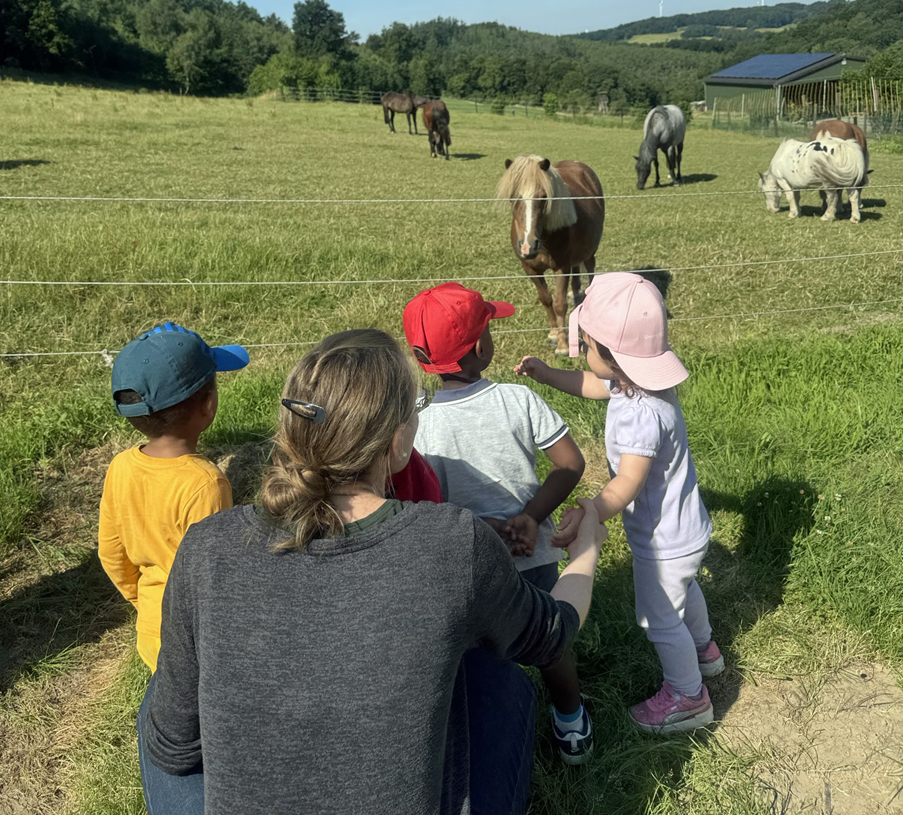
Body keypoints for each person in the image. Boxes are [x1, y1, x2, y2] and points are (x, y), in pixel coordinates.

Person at [140, 329, 607, 815]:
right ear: (398, 438)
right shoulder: (451, 543)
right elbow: (554, 631)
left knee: (161, 693)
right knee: (497, 673)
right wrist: (587, 544)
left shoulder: (206, 546)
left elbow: (174, 749)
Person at [515, 272, 724, 734]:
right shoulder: (641, 384)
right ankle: (706, 651)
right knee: (685, 589)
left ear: (611, 355)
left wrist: (593, 509)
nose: (585, 357)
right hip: (686, 528)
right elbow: (595, 383)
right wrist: (548, 375)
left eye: (587, 346)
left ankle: (689, 697)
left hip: (663, 539)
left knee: (660, 618)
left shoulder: (637, 414)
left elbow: (627, 481)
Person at [402, 282, 593, 764]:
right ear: (481, 347)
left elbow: (416, 500)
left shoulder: (415, 423)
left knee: (469, 650)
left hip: (461, 563)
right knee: (549, 641)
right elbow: (570, 464)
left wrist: (476, 527)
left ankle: (476, 734)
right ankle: (571, 725)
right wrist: (530, 518)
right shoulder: (516, 399)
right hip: (534, 555)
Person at [98, 322, 250, 672]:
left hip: (152, 629)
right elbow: (213, 575)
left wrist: (142, 601)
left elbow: (111, 553)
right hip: (196, 637)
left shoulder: (120, 467)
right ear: (208, 406)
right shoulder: (206, 483)